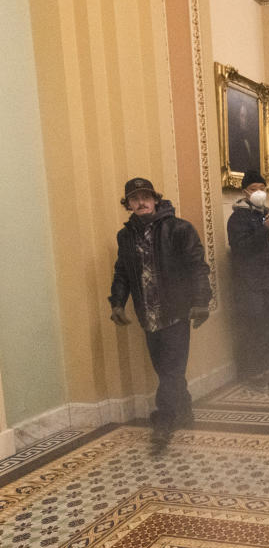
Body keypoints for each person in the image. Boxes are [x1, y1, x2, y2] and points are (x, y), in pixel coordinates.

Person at [108, 177, 211, 453]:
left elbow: (197, 267)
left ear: (155, 199)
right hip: (148, 316)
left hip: (175, 312)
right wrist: (117, 302)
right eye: (134, 198)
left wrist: (201, 301)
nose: (141, 202)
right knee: (167, 370)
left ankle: (163, 421)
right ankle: (185, 410)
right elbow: (122, 272)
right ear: (128, 204)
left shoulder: (179, 229)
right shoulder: (125, 236)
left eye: (145, 196)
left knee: (170, 371)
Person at [226, 169, 269, 389]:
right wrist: (264, 230)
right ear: (245, 192)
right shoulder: (237, 218)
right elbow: (241, 248)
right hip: (249, 283)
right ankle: (254, 374)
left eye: (263, 189)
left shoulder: (267, 212)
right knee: (254, 329)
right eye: (255, 189)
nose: (260, 192)